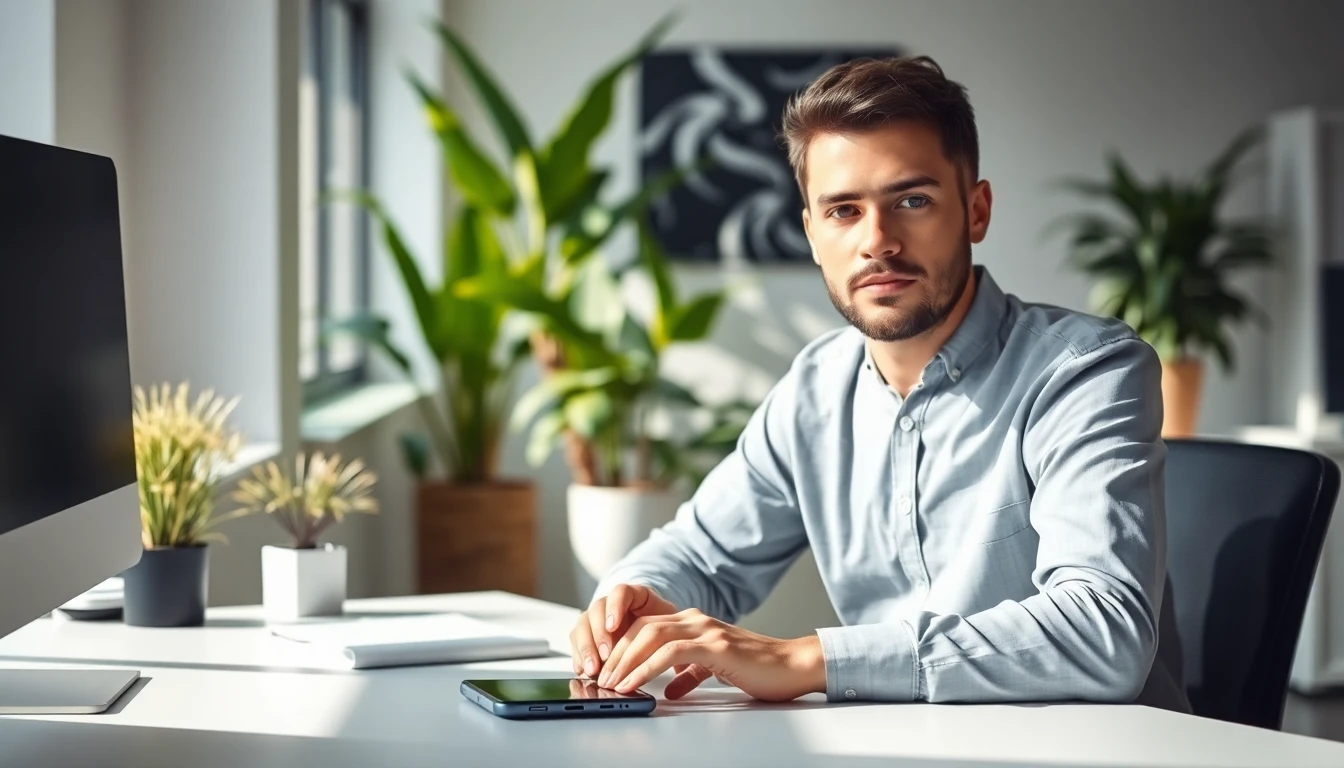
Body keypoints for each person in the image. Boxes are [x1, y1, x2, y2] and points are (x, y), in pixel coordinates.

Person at [569, 54, 1188, 711]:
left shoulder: (1085, 372)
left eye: (912, 200)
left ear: (976, 211)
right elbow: (700, 555)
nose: (878, 241)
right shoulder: (816, 390)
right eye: (842, 211)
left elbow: (1104, 634)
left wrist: (805, 658)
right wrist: (626, 603)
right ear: (811, 233)